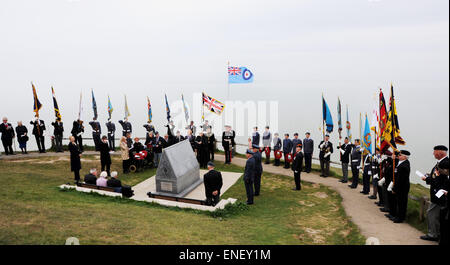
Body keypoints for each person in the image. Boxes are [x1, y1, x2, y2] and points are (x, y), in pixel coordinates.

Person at [420, 145, 449, 242]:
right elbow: (436, 177)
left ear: (440, 152)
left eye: (434, 151)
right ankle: (436, 233)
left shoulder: (445, 164)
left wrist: (427, 179)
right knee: (435, 214)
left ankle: (433, 234)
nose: (433, 153)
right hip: (438, 193)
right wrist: (429, 177)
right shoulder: (441, 162)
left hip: (440, 194)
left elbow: (439, 180)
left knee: (431, 213)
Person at [391, 150, 411, 223]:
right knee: (399, 202)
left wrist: (395, 188)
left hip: (402, 187)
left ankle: (400, 218)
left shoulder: (405, 165)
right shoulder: (401, 163)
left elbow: (401, 179)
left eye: (400, 155)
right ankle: (397, 216)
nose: (398, 156)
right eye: (398, 155)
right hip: (399, 186)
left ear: (405, 157)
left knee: (402, 203)